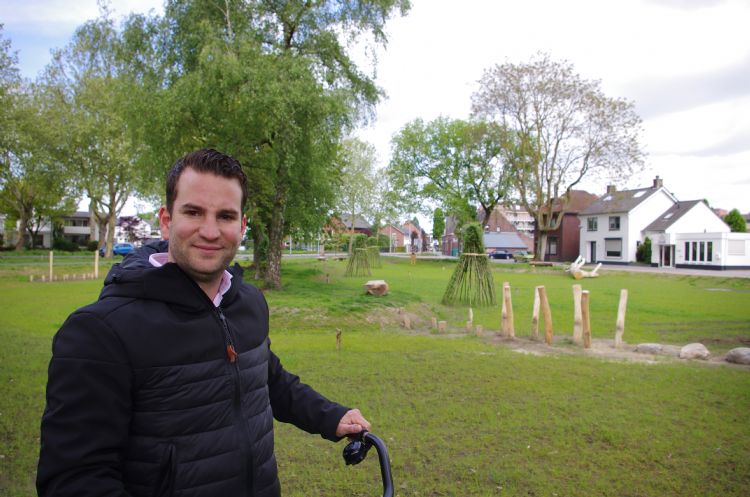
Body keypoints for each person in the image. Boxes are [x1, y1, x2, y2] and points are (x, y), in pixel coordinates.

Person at [37, 149, 370, 497]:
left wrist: (330, 416)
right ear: (166, 220)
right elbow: (74, 479)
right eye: (194, 212)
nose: (210, 231)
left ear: (242, 226)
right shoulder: (100, 332)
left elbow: (267, 377)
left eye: (225, 216)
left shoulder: (249, 303)